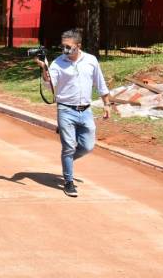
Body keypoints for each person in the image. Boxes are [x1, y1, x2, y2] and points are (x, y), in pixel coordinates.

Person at [36, 29, 110, 198]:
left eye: (68, 47)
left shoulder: (91, 60)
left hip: (86, 110)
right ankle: (68, 181)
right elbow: (50, 84)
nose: (65, 49)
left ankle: (67, 159)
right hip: (65, 110)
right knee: (69, 147)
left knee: (88, 146)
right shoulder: (58, 63)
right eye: (63, 46)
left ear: (78, 46)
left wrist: (107, 104)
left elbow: (100, 83)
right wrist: (44, 69)